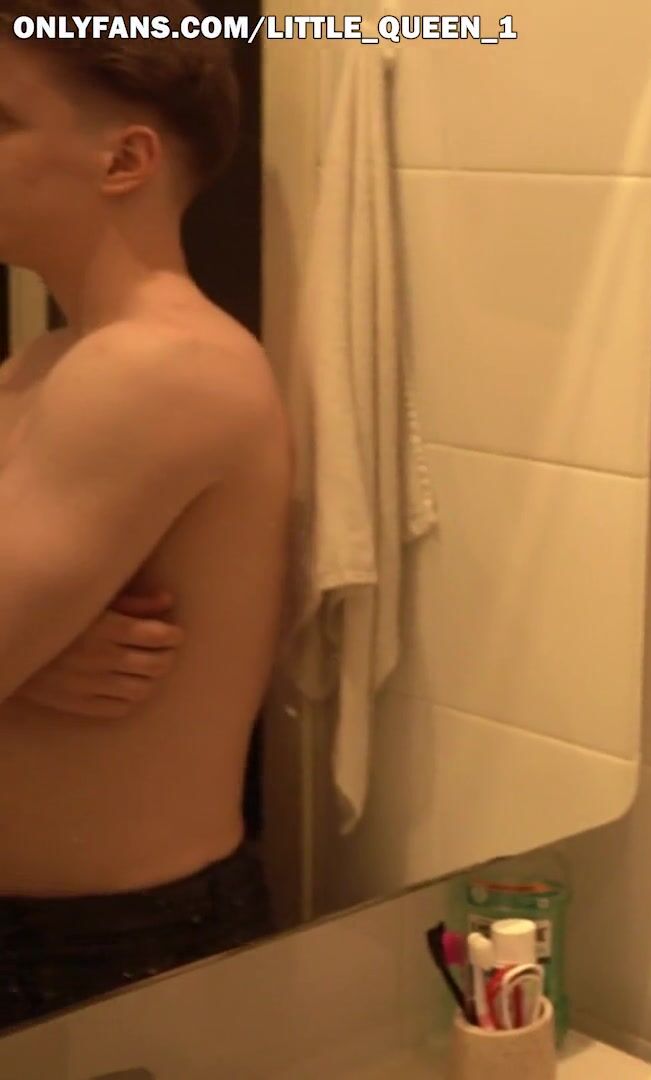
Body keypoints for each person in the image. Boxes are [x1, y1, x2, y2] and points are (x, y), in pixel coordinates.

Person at [0, 0, 288, 1030]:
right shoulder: (42, 364)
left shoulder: (158, 368)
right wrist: (33, 665)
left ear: (124, 160)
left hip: (103, 953)